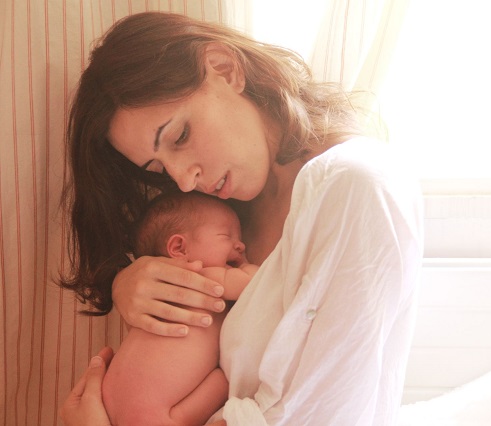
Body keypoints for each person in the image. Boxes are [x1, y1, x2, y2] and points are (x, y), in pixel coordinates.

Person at [59, 11, 423, 426]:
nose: (183, 180)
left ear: (224, 69)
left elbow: (322, 413)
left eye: (180, 136)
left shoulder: (356, 186)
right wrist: (130, 281)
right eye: (158, 169)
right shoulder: (222, 216)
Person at [102, 191, 258, 425]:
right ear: (179, 248)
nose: (241, 245)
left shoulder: (158, 292)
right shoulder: (200, 276)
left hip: (115, 398)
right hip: (154, 412)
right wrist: (247, 266)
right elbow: (253, 282)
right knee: (225, 380)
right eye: (226, 235)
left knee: (222, 381)